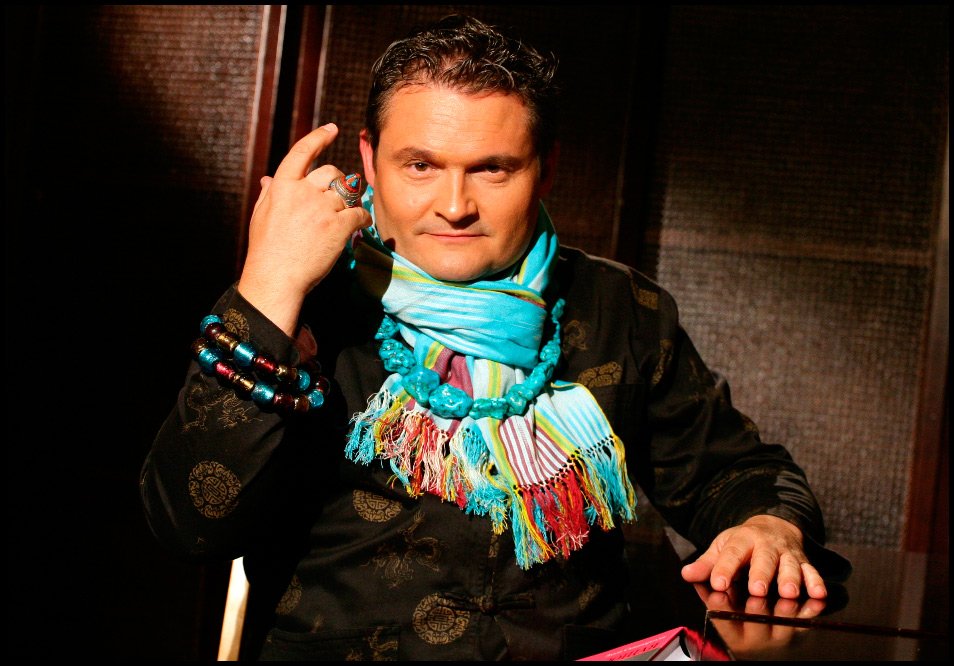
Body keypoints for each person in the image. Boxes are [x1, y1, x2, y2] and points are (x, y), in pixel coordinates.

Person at [141, 14, 849, 660]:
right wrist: (267, 290)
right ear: (369, 159)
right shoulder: (303, 302)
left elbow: (734, 472)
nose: (455, 206)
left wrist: (768, 525)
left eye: (493, 168)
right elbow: (189, 525)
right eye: (421, 165)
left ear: (546, 168)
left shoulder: (617, 308)